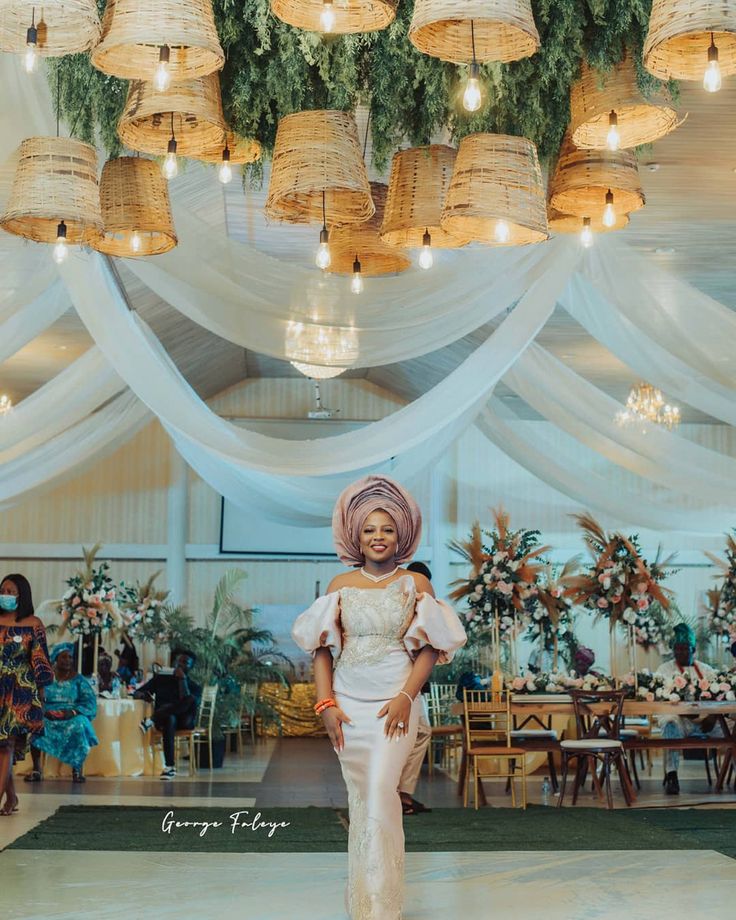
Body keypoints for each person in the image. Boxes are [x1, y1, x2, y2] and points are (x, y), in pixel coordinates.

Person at [292, 475, 466, 920]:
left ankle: (384, 907)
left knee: (381, 791)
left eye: (387, 529)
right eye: (370, 529)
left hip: (395, 706)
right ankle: (365, 904)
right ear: (357, 536)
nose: (378, 537)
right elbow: (322, 650)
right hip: (349, 708)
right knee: (362, 800)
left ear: (401, 535)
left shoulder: (415, 585)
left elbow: (431, 646)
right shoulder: (339, 584)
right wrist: (326, 705)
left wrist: (408, 696)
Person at [0, 573, 53, 815]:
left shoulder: (33, 623)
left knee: (6, 745)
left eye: (11, 591)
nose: (6, 595)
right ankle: (11, 798)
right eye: (3, 590)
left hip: (19, 691)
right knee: (1, 747)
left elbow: (41, 659)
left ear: (22, 595)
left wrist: (41, 691)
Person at [656, 623, 719, 795]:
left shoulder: (706, 670)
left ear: (693, 649)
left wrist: (714, 716)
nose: (681, 652)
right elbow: (661, 702)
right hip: (681, 721)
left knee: (732, 728)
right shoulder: (664, 670)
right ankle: (672, 775)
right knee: (668, 722)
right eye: (677, 649)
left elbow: (719, 696)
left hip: (707, 721)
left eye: (685, 649)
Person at [27, 643, 98, 783]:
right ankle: (36, 770)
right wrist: (44, 711)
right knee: (38, 724)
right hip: (48, 714)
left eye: (70, 657)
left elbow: (90, 702)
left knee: (79, 725)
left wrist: (71, 712)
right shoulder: (45, 678)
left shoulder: (79, 680)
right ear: (56, 658)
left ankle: (77, 770)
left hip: (71, 715)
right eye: (64, 657)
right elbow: (34, 697)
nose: (68, 660)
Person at [398, 561, 434, 816]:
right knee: (419, 732)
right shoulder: (410, 603)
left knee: (418, 733)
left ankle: (401, 792)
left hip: (411, 680)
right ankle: (399, 793)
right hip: (404, 679)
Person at [135, 649, 201, 780]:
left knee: (190, 699)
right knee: (170, 718)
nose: (181, 664)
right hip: (165, 721)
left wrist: (182, 679)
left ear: (191, 667)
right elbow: (138, 692)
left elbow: (185, 698)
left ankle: (151, 720)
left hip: (185, 721)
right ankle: (169, 768)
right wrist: (144, 695)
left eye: (185, 663)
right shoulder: (161, 678)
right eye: (179, 661)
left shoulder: (195, 686)